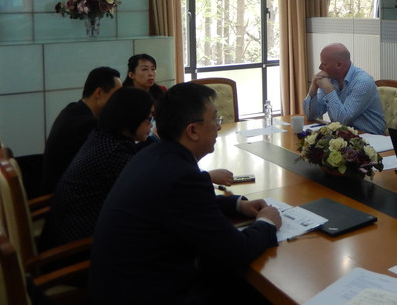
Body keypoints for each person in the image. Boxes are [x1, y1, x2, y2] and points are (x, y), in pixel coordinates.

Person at [89, 82, 281, 304]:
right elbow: (236, 251)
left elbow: (186, 204)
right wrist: (267, 223)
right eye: (215, 119)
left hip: (118, 285)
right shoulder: (181, 176)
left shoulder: (153, 153)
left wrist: (237, 205)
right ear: (192, 130)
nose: (219, 127)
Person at [39, 87, 157, 251]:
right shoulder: (115, 154)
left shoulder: (102, 137)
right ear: (132, 116)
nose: (151, 124)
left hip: (61, 233)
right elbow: (147, 194)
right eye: (149, 118)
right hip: (75, 250)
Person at [41, 66, 122, 195]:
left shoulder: (72, 109)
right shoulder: (87, 125)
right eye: (117, 96)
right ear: (99, 93)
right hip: (66, 198)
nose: (119, 102)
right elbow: (105, 165)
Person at [303, 43, 386, 135]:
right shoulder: (330, 79)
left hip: (370, 137)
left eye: (324, 64)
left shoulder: (362, 82)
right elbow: (311, 115)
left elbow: (342, 119)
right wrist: (313, 89)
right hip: (343, 135)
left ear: (339, 64)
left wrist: (329, 90)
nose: (320, 67)